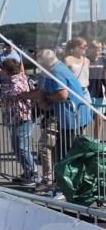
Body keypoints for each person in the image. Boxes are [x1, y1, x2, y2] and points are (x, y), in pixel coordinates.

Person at [22, 49, 92, 178]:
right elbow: (42, 91)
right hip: (67, 116)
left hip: (70, 116)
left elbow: (62, 94)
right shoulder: (54, 69)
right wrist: (23, 96)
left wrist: (46, 100)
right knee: (60, 149)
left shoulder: (56, 72)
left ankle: (64, 180)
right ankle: (60, 179)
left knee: (65, 151)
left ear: (45, 62)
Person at [0, 58, 38, 186]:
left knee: (21, 147)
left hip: (22, 117)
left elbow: (15, 92)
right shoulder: (14, 79)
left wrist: (0, 91)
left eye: (2, 69)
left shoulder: (17, 80)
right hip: (15, 117)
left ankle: (34, 174)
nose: (0, 71)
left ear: (7, 70)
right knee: (17, 147)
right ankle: (27, 172)